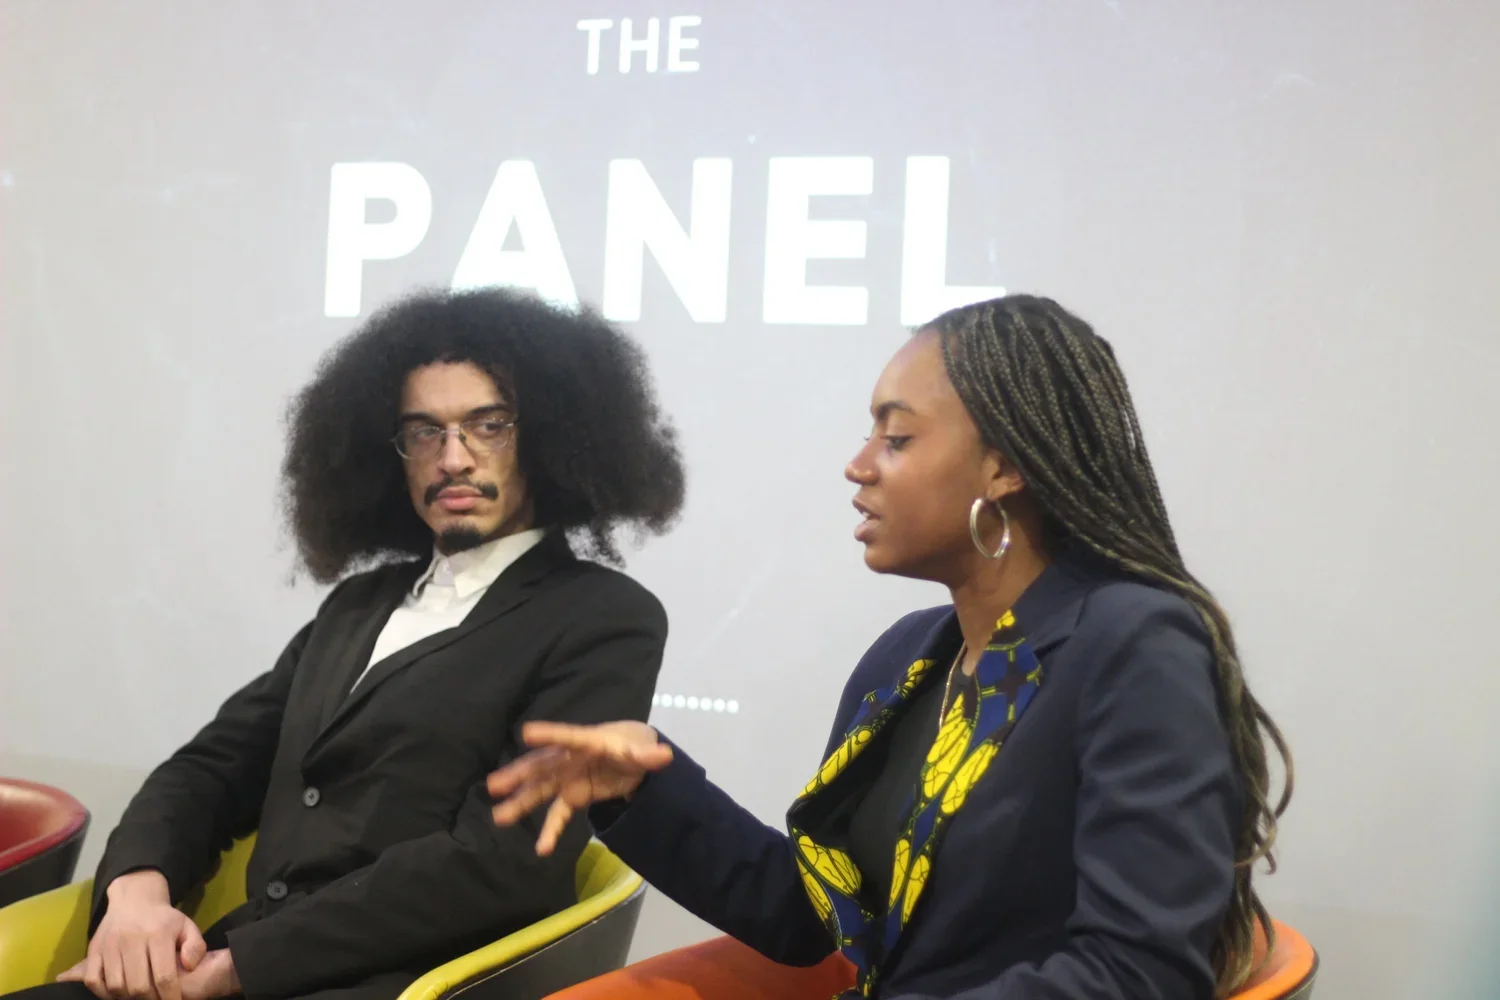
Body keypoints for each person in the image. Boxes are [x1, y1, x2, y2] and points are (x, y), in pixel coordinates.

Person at [488, 294, 1293, 1000]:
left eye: (897, 438)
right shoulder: (908, 659)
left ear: (1006, 466)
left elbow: (1138, 974)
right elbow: (815, 916)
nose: (859, 465)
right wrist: (638, 790)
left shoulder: (1136, 645)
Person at [14, 287, 685, 1000]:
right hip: (230, 962)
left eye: (487, 425)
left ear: (549, 436)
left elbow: (503, 864)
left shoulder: (605, 618)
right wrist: (138, 897)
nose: (452, 457)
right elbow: (211, 769)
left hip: (395, 980)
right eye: (424, 431)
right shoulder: (357, 605)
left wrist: (240, 966)